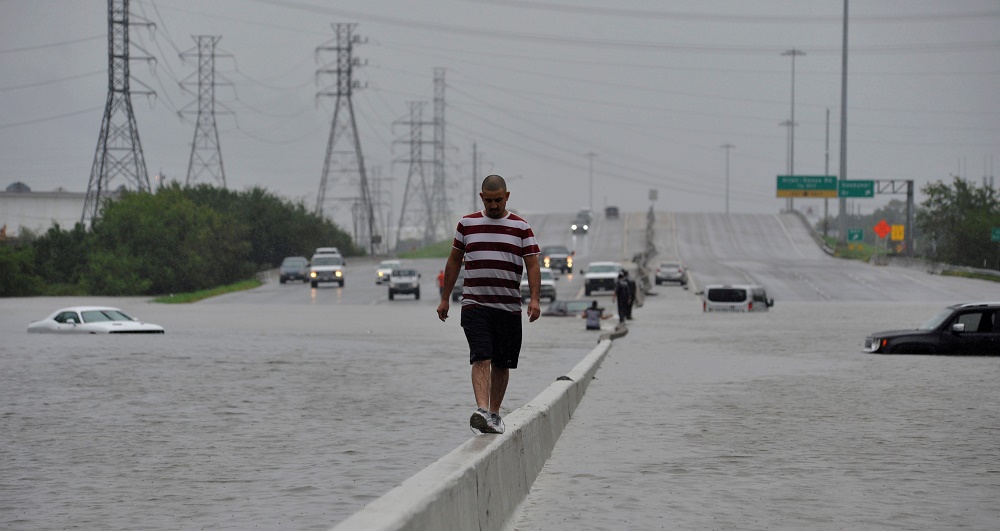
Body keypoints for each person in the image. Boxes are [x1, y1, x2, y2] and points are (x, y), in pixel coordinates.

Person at [437, 174, 541, 435]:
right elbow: (453, 261)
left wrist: (535, 299)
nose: (494, 205)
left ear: (507, 197)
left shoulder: (521, 227)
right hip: (475, 304)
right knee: (481, 355)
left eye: (498, 200)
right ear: (481, 197)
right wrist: (445, 298)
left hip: (508, 307)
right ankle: (482, 410)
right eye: (489, 200)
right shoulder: (467, 224)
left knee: (502, 364)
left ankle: (494, 414)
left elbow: (532, 264)